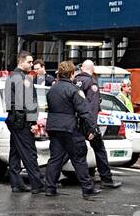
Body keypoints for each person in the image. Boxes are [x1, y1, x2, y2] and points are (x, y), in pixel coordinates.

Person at [42, 61, 100, 199]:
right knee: (79, 157)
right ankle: (87, 188)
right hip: (70, 128)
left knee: (55, 158)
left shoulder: (52, 90)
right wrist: (92, 128)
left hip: (54, 127)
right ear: (72, 73)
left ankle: (49, 188)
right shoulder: (74, 90)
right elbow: (85, 111)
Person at [74, 60, 122, 189]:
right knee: (100, 149)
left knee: (66, 150)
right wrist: (92, 128)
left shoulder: (74, 81)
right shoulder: (91, 83)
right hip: (87, 122)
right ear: (92, 69)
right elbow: (93, 107)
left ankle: (50, 179)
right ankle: (106, 179)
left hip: (74, 121)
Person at [4, 51, 46, 193]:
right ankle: (38, 184)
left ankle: (16, 183)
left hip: (13, 119)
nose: (31, 65)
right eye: (29, 62)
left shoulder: (11, 77)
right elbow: (29, 102)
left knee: (15, 152)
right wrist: (33, 122)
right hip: (22, 120)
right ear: (21, 61)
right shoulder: (24, 79)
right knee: (29, 152)